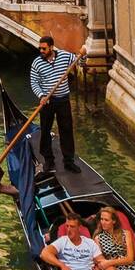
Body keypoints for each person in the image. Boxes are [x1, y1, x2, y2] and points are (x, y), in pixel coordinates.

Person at [30, 36, 83, 176]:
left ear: (51, 47)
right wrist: (41, 95)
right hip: (47, 101)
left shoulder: (65, 56)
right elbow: (34, 82)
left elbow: (79, 62)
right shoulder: (37, 63)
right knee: (45, 130)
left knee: (66, 129)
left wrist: (83, 55)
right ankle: (48, 160)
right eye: (40, 48)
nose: (41, 50)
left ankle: (69, 161)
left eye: (44, 48)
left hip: (63, 100)